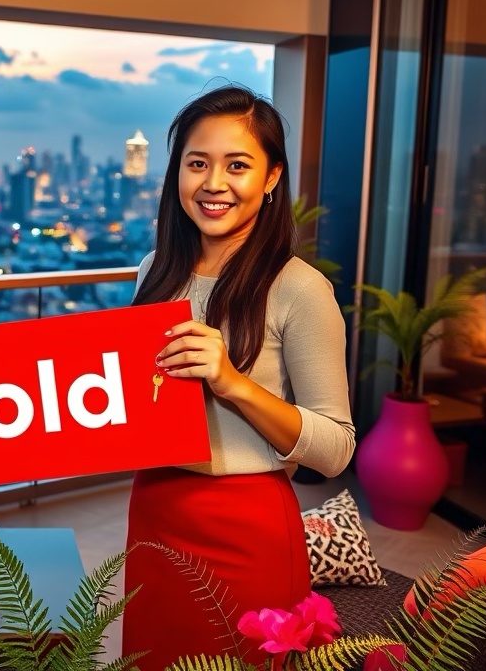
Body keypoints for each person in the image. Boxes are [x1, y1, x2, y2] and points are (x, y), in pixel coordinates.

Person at [122, 85, 355, 669]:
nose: (213, 183)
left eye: (238, 165)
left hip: (245, 526)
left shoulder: (300, 289)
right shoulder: (156, 270)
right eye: (197, 163)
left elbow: (336, 449)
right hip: (153, 511)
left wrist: (232, 382)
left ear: (272, 177)